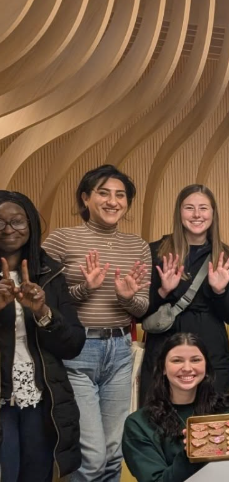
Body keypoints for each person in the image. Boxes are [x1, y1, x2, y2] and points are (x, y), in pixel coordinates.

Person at [42, 164, 151, 482]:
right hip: (76, 351)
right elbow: (44, 303)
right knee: (91, 458)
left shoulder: (138, 246)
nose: (113, 201)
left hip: (120, 351)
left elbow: (141, 308)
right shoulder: (62, 240)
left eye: (120, 195)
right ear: (86, 198)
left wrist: (127, 298)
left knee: (114, 454)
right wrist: (83, 289)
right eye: (103, 193)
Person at [0, 191, 85, 481]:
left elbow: (73, 344)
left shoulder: (49, 272)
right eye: (0, 223)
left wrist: (43, 312)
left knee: (36, 475)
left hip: (41, 397)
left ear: (31, 225)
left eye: (17, 221)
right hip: (1, 397)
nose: (9, 229)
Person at [140, 185, 229, 402]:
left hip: (211, 346)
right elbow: (140, 313)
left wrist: (219, 291)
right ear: (179, 212)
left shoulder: (225, 255)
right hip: (163, 344)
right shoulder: (156, 251)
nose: (197, 215)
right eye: (189, 208)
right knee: (158, 414)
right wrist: (163, 291)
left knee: (212, 418)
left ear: (213, 214)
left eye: (203, 208)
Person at [123, 333, 229, 482]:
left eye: (195, 360)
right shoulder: (138, 424)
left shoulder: (224, 412)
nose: (187, 368)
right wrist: (191, 453)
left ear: (206, 366)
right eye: (177, 360)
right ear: (163, 368)